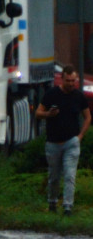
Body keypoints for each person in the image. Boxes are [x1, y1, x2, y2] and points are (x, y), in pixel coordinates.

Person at [35, 64, 91, 216]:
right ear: (62, 79)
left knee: (69, 175)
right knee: (54, 176)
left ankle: (68, 207)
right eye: (68, 81)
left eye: (73, 81)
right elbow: (38, 113)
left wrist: (80, 136)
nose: (71, 84)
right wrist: (48, 115)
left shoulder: (79, 96)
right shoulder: (52, 94)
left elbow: (87, 117)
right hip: (53, 143)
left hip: (71, 142)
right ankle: (52, 202)